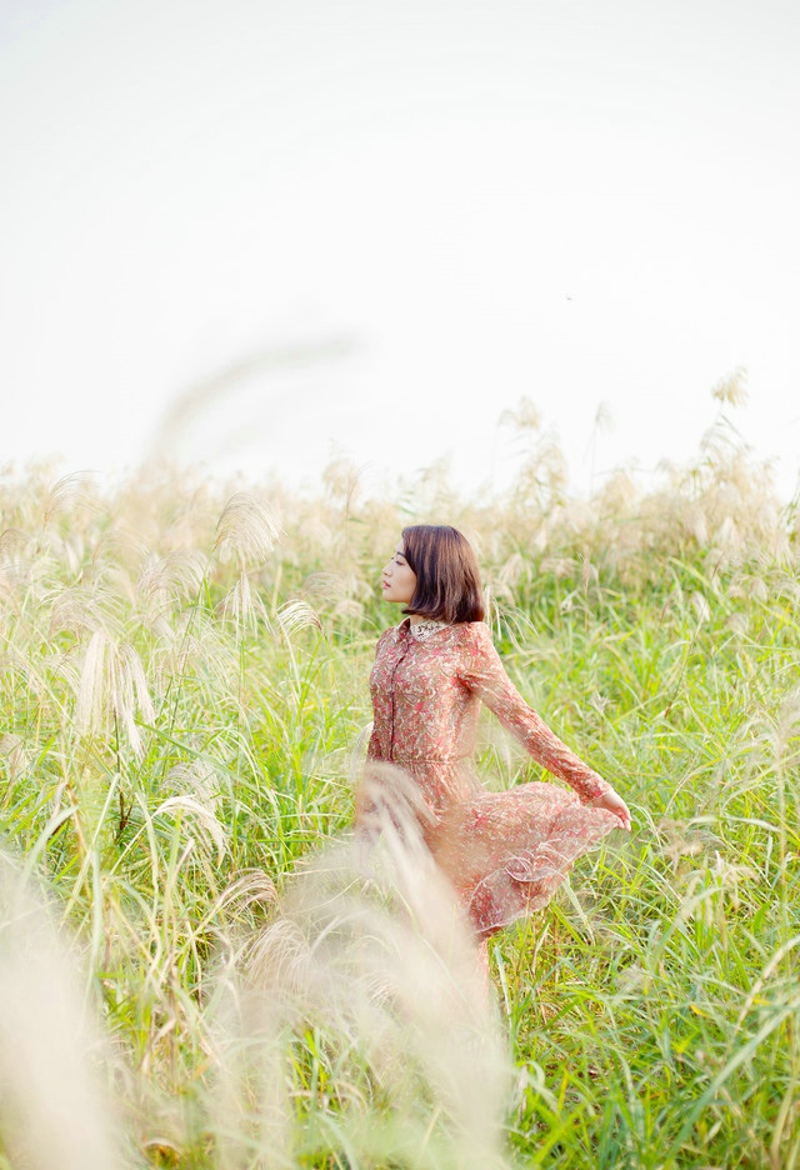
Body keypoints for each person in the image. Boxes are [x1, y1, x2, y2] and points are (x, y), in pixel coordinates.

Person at [359, 524, 630, 941]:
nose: (386, 569)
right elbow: (379, 738)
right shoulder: (390, 642)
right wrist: (366, 823)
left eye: (399, 561)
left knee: (450, 935)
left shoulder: (467, 642)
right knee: (401, 935)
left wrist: (593, 787)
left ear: (431, 572)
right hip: (396, 808)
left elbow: (523, 721)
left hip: (444, 809)